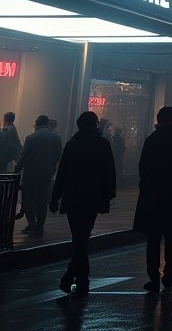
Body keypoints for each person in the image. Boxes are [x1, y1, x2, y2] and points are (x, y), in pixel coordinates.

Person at [49, 111, 116, 295]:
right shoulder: (103, 144)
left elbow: (62, 173)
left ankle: (75, 278)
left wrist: (55, 197)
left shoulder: (72, 145)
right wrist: (108, 196)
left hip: (73, 197)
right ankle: (78, 278)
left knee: (79, 238)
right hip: (92, 198)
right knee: (82, 238)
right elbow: (109, 172)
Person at [134, 106, 172, 292]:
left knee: (153, 238)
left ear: (158, 120)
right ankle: (169, 273)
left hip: (153, 196)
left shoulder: (151, 140)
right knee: (171, 236)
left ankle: (153, 277)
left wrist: (146, 188)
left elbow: (142, 168)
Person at [15, 114, 62, 236]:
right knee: (42, 200)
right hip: (46, 174)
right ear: (47, 123)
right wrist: (52, 168)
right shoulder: (56, 137)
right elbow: (57, 155)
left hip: (31, 174)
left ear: (36, 123)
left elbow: (24, 156)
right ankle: (40, 225)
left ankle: (31, 224)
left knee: (29, 200)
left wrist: (16, 169)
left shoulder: (31, 138)